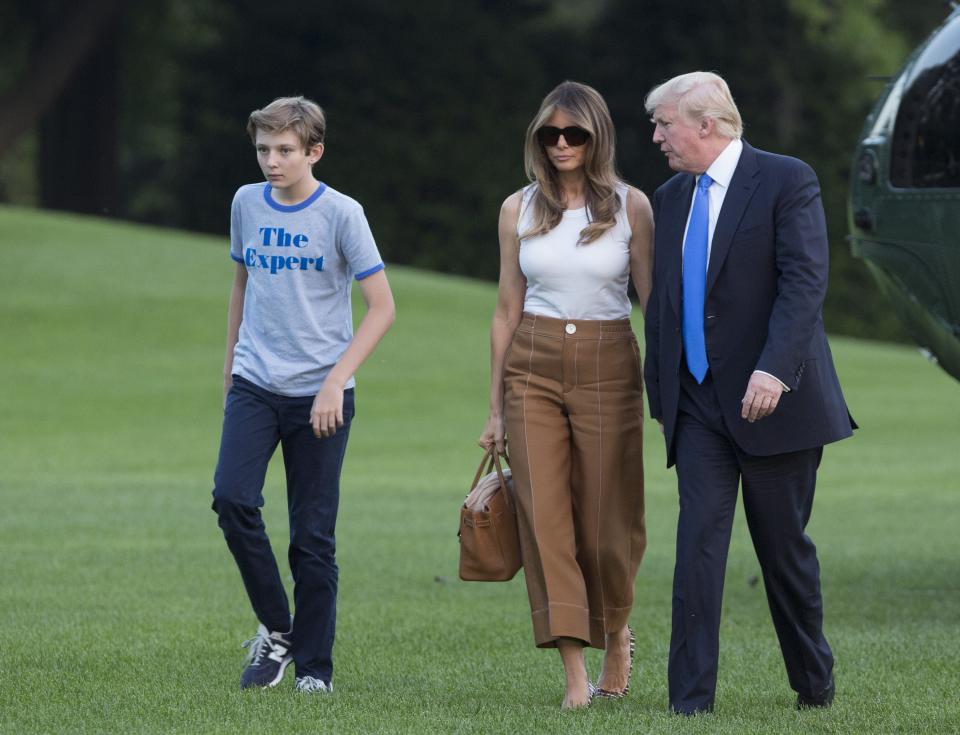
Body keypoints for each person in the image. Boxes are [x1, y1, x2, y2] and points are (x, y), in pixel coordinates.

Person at [642, 71, 856, 715]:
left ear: (705, 124)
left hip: (775, 401)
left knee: (783, 551)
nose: (656, 137)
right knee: (697, 547)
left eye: (664, 124)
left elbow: (804, 282)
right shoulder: (670, 196)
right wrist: (663, 394)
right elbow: (665, 303)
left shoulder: (787, 179)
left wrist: (774, 369)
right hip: (699, 406)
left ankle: (813, 685)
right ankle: (689, 702)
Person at [210, 96, 395, 694]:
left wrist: (335, 381)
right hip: (255, 384)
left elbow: (382, 308)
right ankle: (278, 629)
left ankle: (315, 668)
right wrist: (230, 365)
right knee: (232, 498)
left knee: (312, 538)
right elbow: (243, 282)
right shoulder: (245, 202)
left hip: (323, 395)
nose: (272, 161)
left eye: (285, 150)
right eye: (264, 149)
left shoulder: (343, 214)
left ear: (313, 151)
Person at [479, 81, 653, 710]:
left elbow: (651, 304)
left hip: (610, 360)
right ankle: (575, 677)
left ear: (596, 136)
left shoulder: (632, 207)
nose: (560, 145)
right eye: (549, 134)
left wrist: (669, 387)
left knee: (609, 520)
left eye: (573, 134)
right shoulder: (517, 209)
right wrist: (495, 407)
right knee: (545, 519)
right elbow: (505, 309)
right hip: (532, 364)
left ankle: (616, 630)